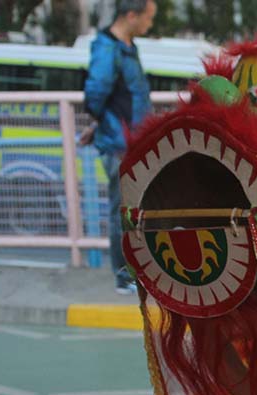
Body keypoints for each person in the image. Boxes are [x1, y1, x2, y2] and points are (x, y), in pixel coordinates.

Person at [81, 0, 156, 294]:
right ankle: (124, 275)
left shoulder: (127, 46)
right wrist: (108, 125)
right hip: (119, 144)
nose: (149, 24)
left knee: (135, 208)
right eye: (148, 18)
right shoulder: (109, 49)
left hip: (133, 140)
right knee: (122, 209)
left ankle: (135, 270)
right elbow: (95, 95)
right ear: (131, 15)